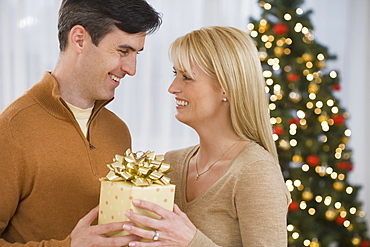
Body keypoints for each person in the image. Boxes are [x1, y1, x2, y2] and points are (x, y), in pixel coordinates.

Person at [0, 0, 161, 246]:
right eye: (123, 51)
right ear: (79, 40)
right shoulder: (11, 130)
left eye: (136, 54)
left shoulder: (118, 131)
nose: (131, 69)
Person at [120, 26, 291, 246]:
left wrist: (191, 241)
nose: (172, 88)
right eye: (175, 74)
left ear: (226, 88)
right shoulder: (170, 164)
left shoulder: (255, 172)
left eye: (187, 78)